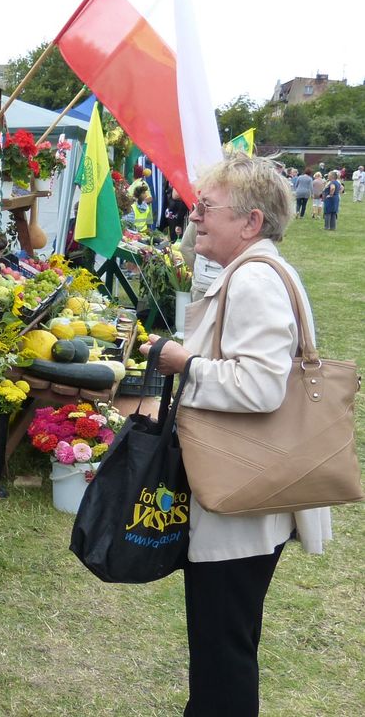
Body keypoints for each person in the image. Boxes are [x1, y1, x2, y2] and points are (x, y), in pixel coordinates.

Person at [139, 151, 331, 717]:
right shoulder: (258, 270)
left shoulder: (253, 280)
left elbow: (261, 387)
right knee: (227, 642)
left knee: (223, 651)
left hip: (242, 501)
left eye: (206, 208)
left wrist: (186, 364)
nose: (193, 216)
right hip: (250, 491)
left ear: (250, 222)